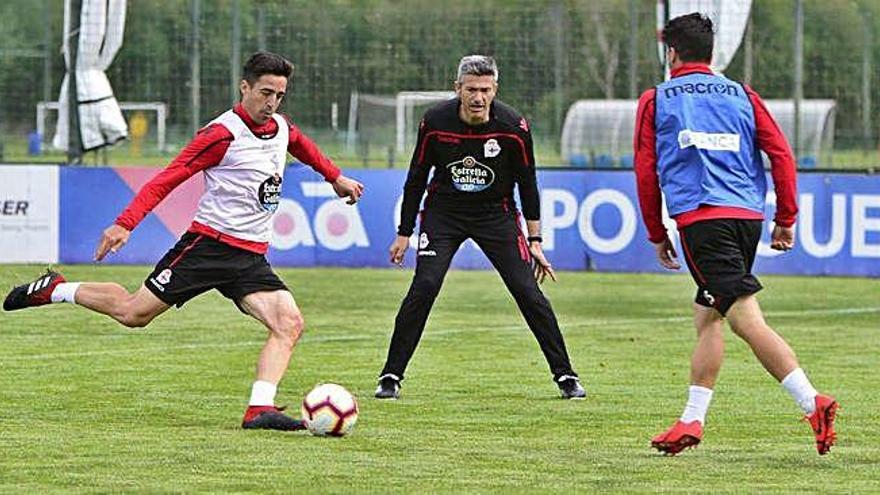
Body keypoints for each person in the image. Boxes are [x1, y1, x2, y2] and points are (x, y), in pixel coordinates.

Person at [3, 52, 365, 431]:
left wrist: (334, 177)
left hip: (250, 256)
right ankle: (57, 289)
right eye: (264, 92)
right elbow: (168, 177)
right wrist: (125, 223)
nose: (271, 102)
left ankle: (260, 409)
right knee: (133, 314)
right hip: (207, 247)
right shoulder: (221, 134)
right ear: (245, 88)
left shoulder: (280, 127)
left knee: (289, 323)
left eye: (279, 94)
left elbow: (302, 144)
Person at [634, 13, 837, 455]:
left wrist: (656, 230)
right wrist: (786, 216)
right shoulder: (743, 94)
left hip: (702, 218)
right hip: (746, 217)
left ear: (671, 53)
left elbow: (646, 171)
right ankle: (691, 420)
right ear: (710, 52)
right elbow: (781, 154)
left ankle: (812, 401)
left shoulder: (658, 98)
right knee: (708, 314)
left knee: (745, 317)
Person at [374, 55, 585, 400]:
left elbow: (527, 184)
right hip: (444, 213)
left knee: (527, 291)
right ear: (457, 89)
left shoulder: (513, 126)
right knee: (425, 285)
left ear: (495, 89)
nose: (478, 97)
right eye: (471, 89)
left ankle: (566, 376)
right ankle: (390, 376)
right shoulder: (435, 121)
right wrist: (404, 231)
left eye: (485, 90)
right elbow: (416, 178)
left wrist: (535, 239)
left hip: (496, 215)